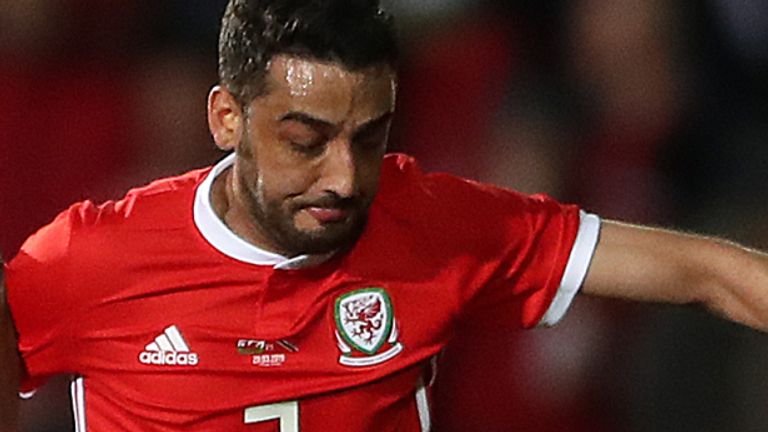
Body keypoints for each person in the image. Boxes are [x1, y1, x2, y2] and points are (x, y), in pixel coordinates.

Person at [2, 1, 768, 430]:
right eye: (305, 141)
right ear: (226, 120)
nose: (342, 176)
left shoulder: (428, 225)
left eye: (369, 138)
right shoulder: (92, 259)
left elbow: (708, 273)